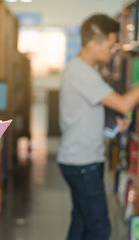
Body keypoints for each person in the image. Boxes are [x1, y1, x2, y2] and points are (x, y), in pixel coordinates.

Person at [57, 13, 139, 240]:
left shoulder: (82, 70)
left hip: (79, 159)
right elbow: (123, 104)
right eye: (110, 45)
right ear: (93, 44)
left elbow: (83, 114)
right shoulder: (81, 71)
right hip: (83, 163)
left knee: (82, 224)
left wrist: (113, 127)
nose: (113, 51)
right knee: (99, 229)